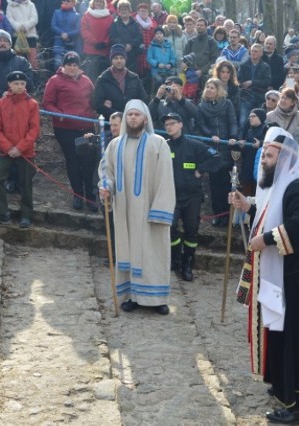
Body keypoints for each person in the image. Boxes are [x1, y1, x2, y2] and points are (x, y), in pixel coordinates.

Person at [230, 127, 299, 424]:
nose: (263, 162)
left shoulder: (298, 187)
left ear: (284, 159)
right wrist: (247, 207)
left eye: (269, 157)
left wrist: (266, 240)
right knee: (279, 334)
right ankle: (283, 386)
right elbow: (269, 214)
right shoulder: (276, 187)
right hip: (278, 277)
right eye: (263, 156)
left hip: (295, 280)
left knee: (298, 340)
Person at [98, 99, 175, 314]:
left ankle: (157, 298)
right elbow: (107, 173)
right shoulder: (115, 145)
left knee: (154, 253)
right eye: (130, 114)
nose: (133, 118)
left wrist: (161, 209)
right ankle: (131, 295)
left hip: (150, 210)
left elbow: (166, 179)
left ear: (145, 118)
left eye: (137, 115)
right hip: (124, 210)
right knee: (128, 251)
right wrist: (106, 188)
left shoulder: (158, 143)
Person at [163, 112, 221, 281]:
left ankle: (188, 264)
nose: (169, 127)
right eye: (167, 124)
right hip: (171, 195)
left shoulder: (194, 145)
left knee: (191, 231)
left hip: (192, 197)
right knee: (170, 227)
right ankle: (176, 260)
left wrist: (201, 169)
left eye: (172, 123)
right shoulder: (163, 145)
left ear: (181, 124)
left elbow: (217, 157)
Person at [0, 70, 39, 228]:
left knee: (25, 183)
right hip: (5, 150)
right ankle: (2, 212)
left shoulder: (32, 104)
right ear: (9, 85)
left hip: (25, 151)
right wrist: (8, 148)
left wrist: (20, 148)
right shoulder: (1, 103)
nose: (19, 86)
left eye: (22, 83)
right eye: (16, 84)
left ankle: (26, 215)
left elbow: (34, 130)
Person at [42, 51, 97, 211]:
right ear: (64, 66)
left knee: (88, 162)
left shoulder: (87, 81)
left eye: (75, 65)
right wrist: (60, 115)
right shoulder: (55, 81)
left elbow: (94, 99)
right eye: (69, 65)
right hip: (65, 128)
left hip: (86, 127)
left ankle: (91, 196)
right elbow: (47, 103)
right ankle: (78, 195)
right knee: (73, 162)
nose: (72, 68)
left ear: (79, 66)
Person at [196, 77, 238, 227]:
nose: (208, 90)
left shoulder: (227, 104)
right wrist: (210, 135)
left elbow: (233, 121)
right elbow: (200, 124)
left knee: (226, 185)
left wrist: (232, 137)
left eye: (212, 87)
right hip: (212, 148)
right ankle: (216, 214)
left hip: (226, 147)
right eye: (207, 87)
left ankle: (227, 216)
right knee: (214, 186)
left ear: (218, 90)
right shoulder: (201, 106)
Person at [91, 44, 147, 120]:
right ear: (111, 60)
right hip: (111, 125)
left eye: (121, 58)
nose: (119, 61)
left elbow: (143, 100)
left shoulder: (134, 78)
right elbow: (96, 104)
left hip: (131, 123)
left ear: (125, 59)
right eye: (116, 58)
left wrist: (131, 114)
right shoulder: (103, 79)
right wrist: (117, 114)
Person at [80, 0, 114, 82]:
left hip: (104, 51)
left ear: (104, 4)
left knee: (104, 77)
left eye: (101, 2)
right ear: (93, 3)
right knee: (91, 77)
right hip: (91, 51)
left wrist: (105, 42)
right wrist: (94, 42)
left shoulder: (109, 17)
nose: (98, 3)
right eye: (97, 1)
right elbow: (84, 30)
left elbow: (112, 32)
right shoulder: (87, 15)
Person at [5, 0, 39, 69]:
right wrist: (19, 27)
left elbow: (34, 19)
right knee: (17, 60)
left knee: (33, 61)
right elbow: (9, 19)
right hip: (16, 36)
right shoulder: (10, 5)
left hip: (30, 36)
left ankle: (34, 78)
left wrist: (25, 26)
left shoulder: (31, 4)